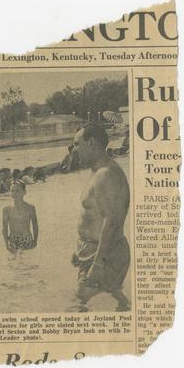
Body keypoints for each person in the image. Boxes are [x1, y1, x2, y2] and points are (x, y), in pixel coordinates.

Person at [70, 124, 130, 312]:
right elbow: (94, 216)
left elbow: (112, 221)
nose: (74, 149)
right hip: (94, 251)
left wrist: (97, 263)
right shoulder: (97, 171)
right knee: (114, 296)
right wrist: (81, 252)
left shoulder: (106, 174)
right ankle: (125, 307)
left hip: (104, 254)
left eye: (77, 144)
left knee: (75, 303)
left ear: (92, 143)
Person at [2, 180, 38, 252]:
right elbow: (4, 228)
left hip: (27, 238)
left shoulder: (30, 208)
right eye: (12, 191)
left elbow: (35, 225)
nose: (14, 193)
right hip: (13, 239)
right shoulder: (7, 209)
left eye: (17, 191)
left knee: (28, 261)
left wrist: (35, 240)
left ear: (24, 192)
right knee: (13, 261)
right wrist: (6, 244)